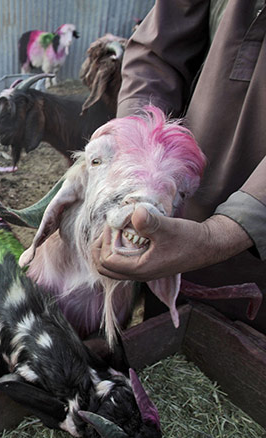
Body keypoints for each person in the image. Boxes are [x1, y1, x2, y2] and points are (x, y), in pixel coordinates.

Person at [92, 0, 266, 333]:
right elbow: (156, 54)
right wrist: (135, 158)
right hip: (176, 213)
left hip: (254, 257)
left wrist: (219, 235)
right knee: (165, 337)